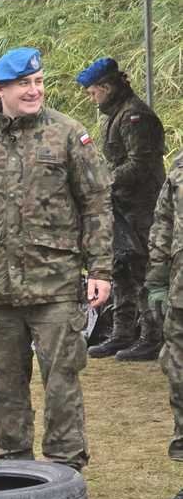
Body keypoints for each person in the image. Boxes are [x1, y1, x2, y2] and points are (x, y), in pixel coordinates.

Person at [0, 47, 113, 471]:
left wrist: (101, 268)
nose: (34, 91)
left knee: (62, 379)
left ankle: (65, 468)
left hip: (57, 282)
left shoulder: (68, 134)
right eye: (24, 84)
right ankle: (12, 465)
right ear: (1, 89)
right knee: (4, 382)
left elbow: (97, 203)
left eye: (38, 82)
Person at [77, 57, 166, 361]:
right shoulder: (119, 114)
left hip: (142, 208)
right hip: (123, 205)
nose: (93, 99)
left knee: (143, 271)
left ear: (106, 87)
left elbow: (141, 164)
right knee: (121, 270)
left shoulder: (135, 117)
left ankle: (152, 337)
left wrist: (103, 182)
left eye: (93, 93)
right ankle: (122, 334)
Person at [145, 152, 183, 499]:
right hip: (180, 296)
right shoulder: (181, 167)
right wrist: (157, 283)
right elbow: (163, 226)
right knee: (180, 380)